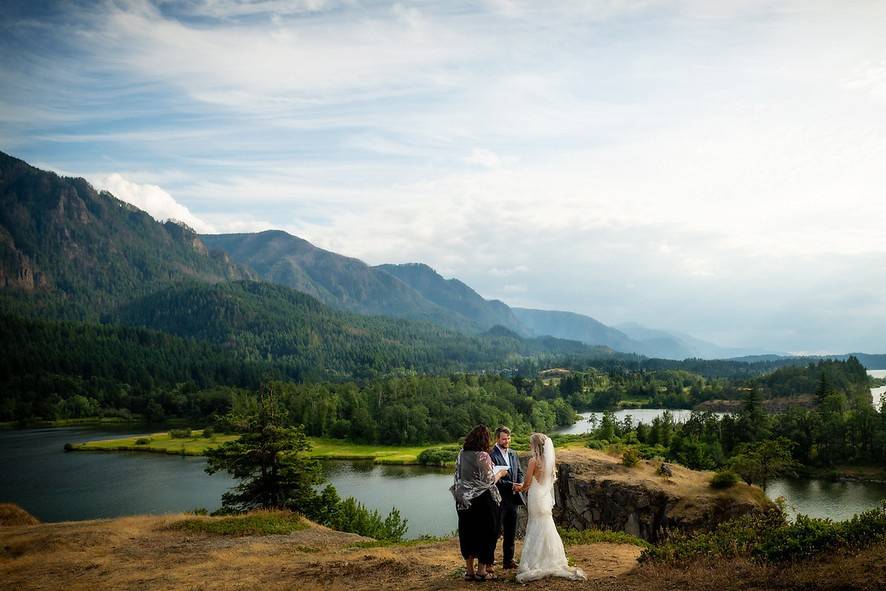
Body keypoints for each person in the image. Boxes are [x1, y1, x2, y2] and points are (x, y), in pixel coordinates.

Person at [514, 433, 587, 583]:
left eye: (531, 443)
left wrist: (518, 488)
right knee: (546, 526)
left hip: (535, 496)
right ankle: (551, 558)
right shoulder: (549, 462)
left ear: (536, 446)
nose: (529, 446)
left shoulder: (533, 461)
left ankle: (535, 562)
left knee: (535, 525)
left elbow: (527, 483)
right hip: (545, 497)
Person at [450, 424, 506, 581]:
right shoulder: (482, 455)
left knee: (467, 533)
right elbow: (489, 481)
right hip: (482, 501)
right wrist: (500, 473)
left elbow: (458, 475)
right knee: (487, 533)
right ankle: (482, 571)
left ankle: (469, 571)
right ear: (485, 439)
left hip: (463, 501)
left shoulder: (462, 453)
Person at [489, 425, 524, 571]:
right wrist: (511, 485)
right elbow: (492, 478)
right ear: (497, 439)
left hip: (513, 499)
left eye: (509, 438)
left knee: (511, 531)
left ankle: (508, 561)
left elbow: (520, 471)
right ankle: (488, 562)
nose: (507, 441)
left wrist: (521, 483)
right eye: (504, 438)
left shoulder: (514, 453)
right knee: (494, 531)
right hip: (498, 500)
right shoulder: (490, 454)